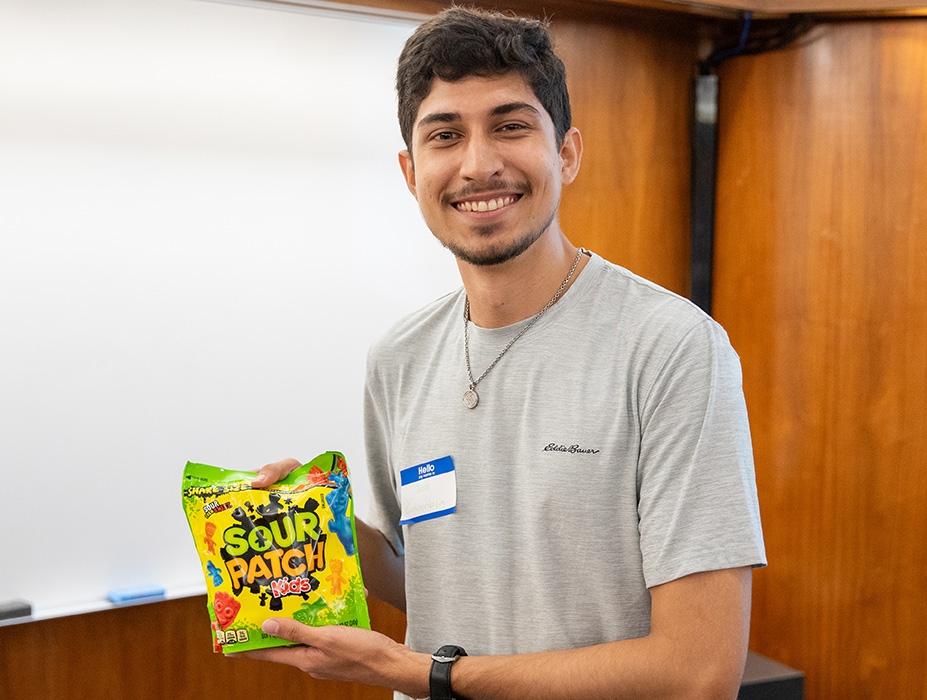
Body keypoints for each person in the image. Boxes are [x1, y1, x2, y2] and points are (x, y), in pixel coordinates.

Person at [244, 6, 766, 699]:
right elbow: (431, 576)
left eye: (511, 126)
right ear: (410, 171)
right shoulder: (398, 358)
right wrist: (325, 527)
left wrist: (422, 674)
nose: (479, 164)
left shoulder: (671, 349)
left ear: (567, 152)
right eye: (445, 135)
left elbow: (699, 672)